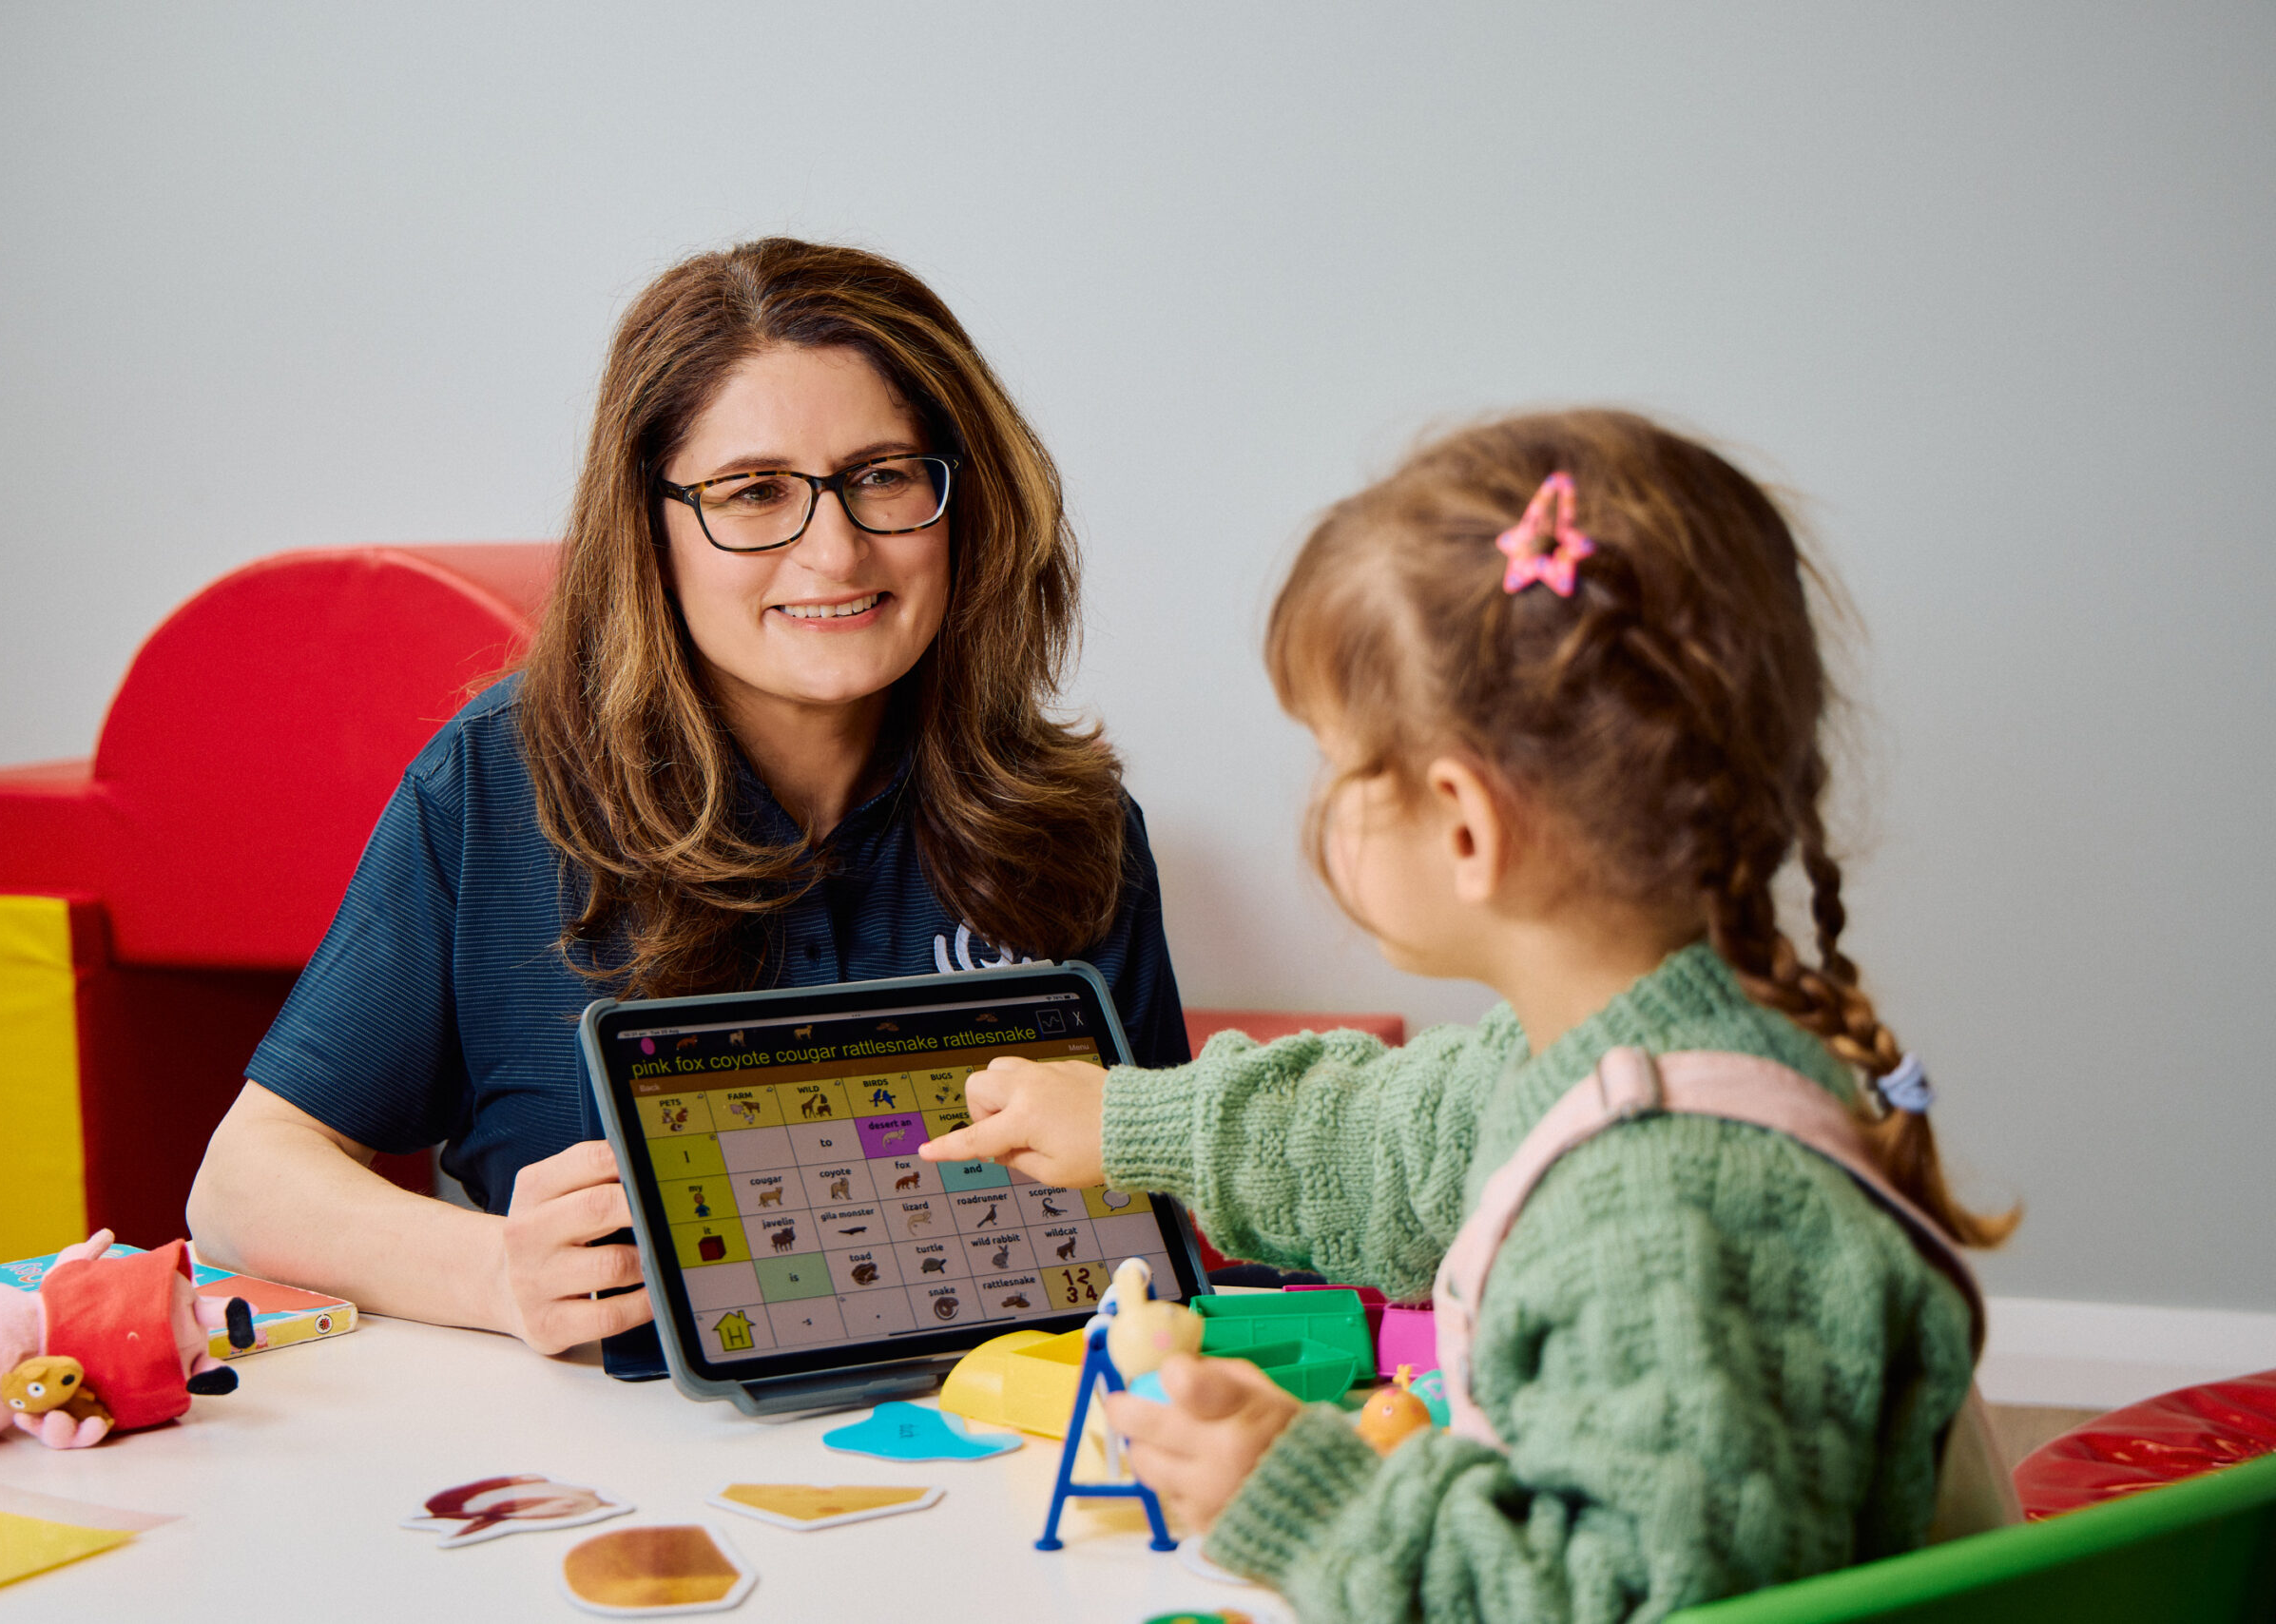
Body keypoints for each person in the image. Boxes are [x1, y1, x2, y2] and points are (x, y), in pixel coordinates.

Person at [922, 410, 2015, 1621]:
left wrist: (1310, 1498)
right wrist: (1136, 1118)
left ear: (1463, 825)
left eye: (1338, 764)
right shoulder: (1617, 1047)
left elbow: (1620, 1598)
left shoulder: (1663, 1206)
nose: (1324, 804)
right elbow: (1393, 1142)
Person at [188, 240, 1188, 1358]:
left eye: (884, 475)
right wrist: (493, 1272)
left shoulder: (1071, 821)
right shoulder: (492, 787)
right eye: (752, 492)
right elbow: (240, 1185)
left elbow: (1158, 1210)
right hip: (614, 1463)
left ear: (961, 499)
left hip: (999, 1450)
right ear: (651, 532)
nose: (835, 548)